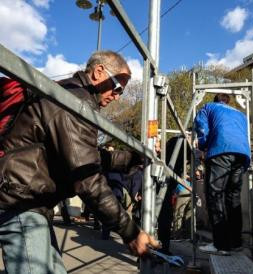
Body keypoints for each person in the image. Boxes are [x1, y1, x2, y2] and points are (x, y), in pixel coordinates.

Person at [0, 50, 160, 273]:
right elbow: (88, 180)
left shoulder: (72, 97)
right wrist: (130, 232)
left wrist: (134, 158)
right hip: (20, 202)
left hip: (30, 201)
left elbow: (87, 158)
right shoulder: (74, 103)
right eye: (118, 87)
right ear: (99, 72)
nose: (118, 96)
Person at [194, 93, 250, 255]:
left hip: (221, 149)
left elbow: (202, 127)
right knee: (233, 197)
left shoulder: (208, 107)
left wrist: (203, 146)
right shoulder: (240, 113)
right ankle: (235, 242)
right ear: (228, 102)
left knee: (215, 195)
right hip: (242, 154)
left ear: (215, 101)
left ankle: (220, 245)